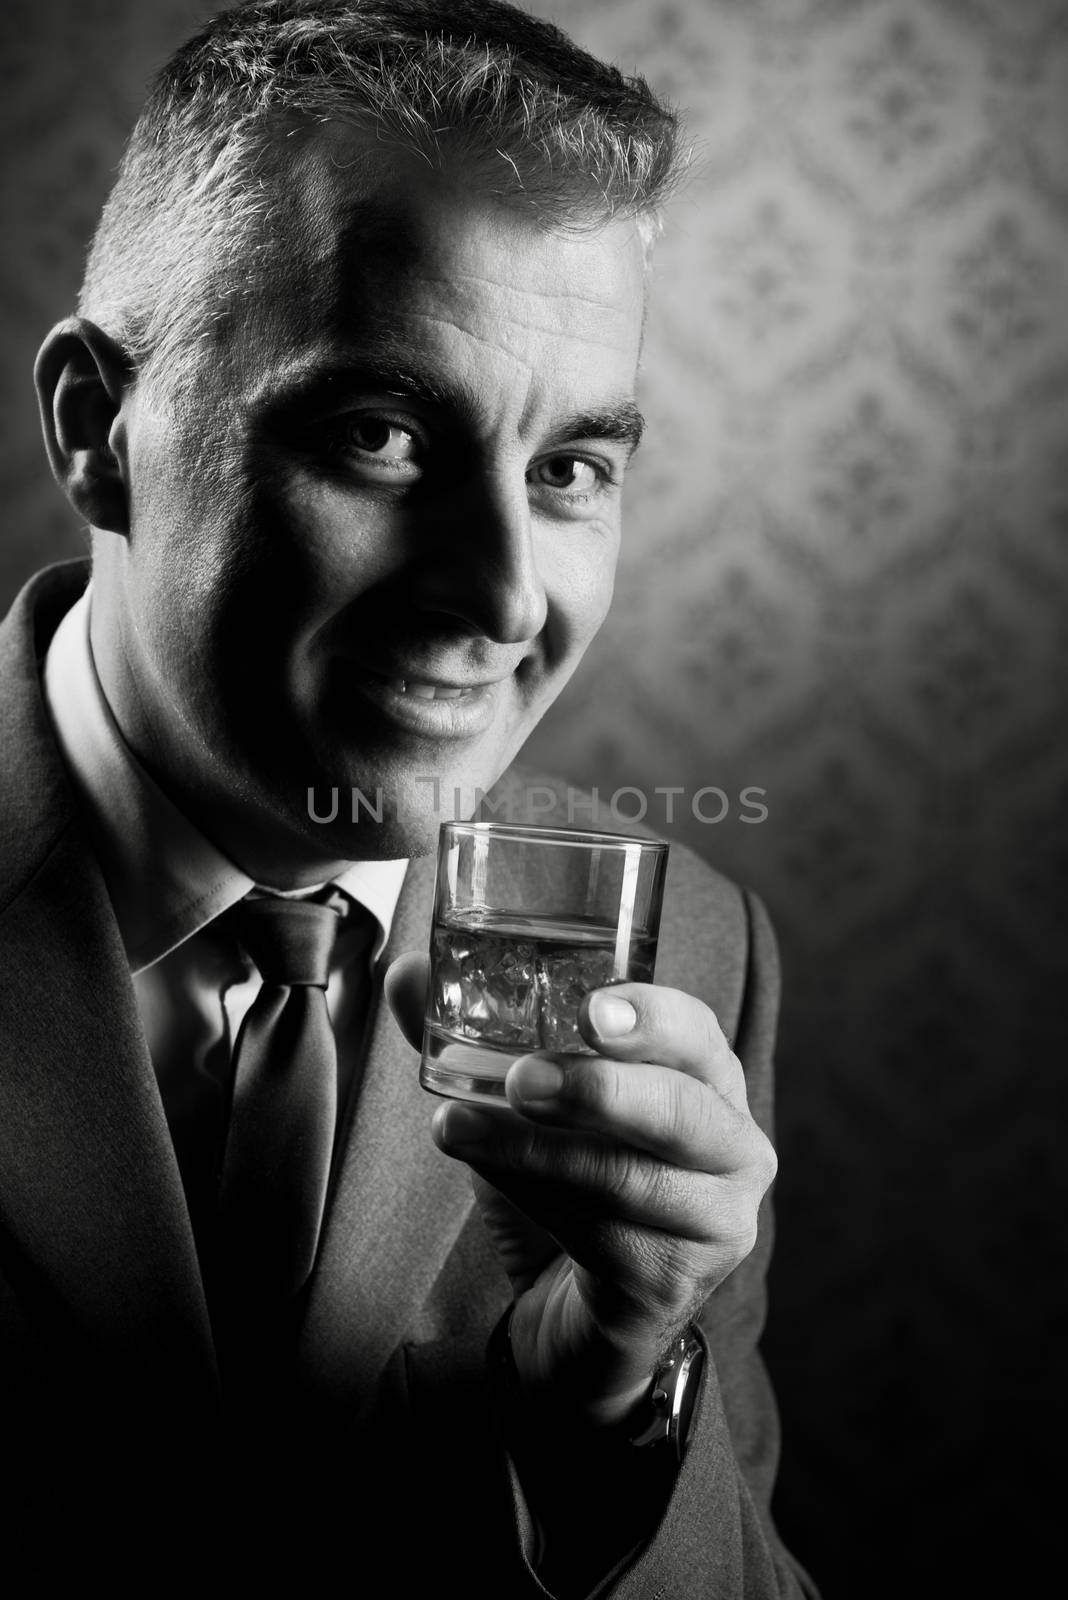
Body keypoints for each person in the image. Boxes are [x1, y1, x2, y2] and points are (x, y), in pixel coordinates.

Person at [0, 1, 817, 1592]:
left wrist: (610, 1399)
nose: (506, 596)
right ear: (101, 430)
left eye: (572, 467)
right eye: (381, 434)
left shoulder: (691, 947)